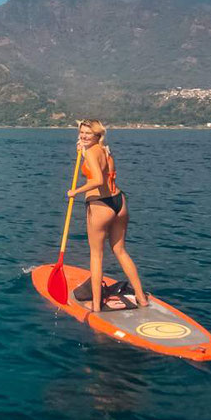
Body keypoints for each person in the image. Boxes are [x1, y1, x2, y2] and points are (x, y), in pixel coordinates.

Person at [66, 120, 149, 312]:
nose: (84, 136)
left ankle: (95, 305)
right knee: (120, 251)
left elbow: (97, 180)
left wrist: (75, 191)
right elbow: (105, 171)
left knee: (96, 255)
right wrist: (83, 150)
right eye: (82, 132)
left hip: (101, 205)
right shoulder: (105, 150)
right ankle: (141, 298)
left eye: (88, 133)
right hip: (119, 202)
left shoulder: (92, 153)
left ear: (97, 135)